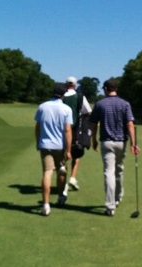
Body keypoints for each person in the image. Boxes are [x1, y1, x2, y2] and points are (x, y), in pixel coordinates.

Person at [89, 79, 140, 216]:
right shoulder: (125, 104)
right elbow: (130, 124)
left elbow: (93, 124)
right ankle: (117, 198)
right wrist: (134, 144)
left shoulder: (100, 104)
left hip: (106, 142)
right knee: (119, 170)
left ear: (106, 88)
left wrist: (93, 139)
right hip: (121, 142)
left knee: (108, 172)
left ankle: (110, 205)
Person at [34, 83, 73, 216]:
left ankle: (45, 204)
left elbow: (37, 127)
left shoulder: (42, 106)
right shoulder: (66, 109)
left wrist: (38, 142)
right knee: (61, 171)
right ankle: (61, 197)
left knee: (47, 172)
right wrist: (68, 150)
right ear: (63, 95)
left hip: (45, 145)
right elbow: (67, 130)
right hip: (60, 146)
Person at [62, 76, 92, 191]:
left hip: (63, 129)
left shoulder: (62, 95)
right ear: (74, 85)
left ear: (66, 84)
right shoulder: (80, 96)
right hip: (75, 129)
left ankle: (63, 182)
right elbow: (88, 111)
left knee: (64, 155)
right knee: (77, 153)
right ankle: (73, 178)